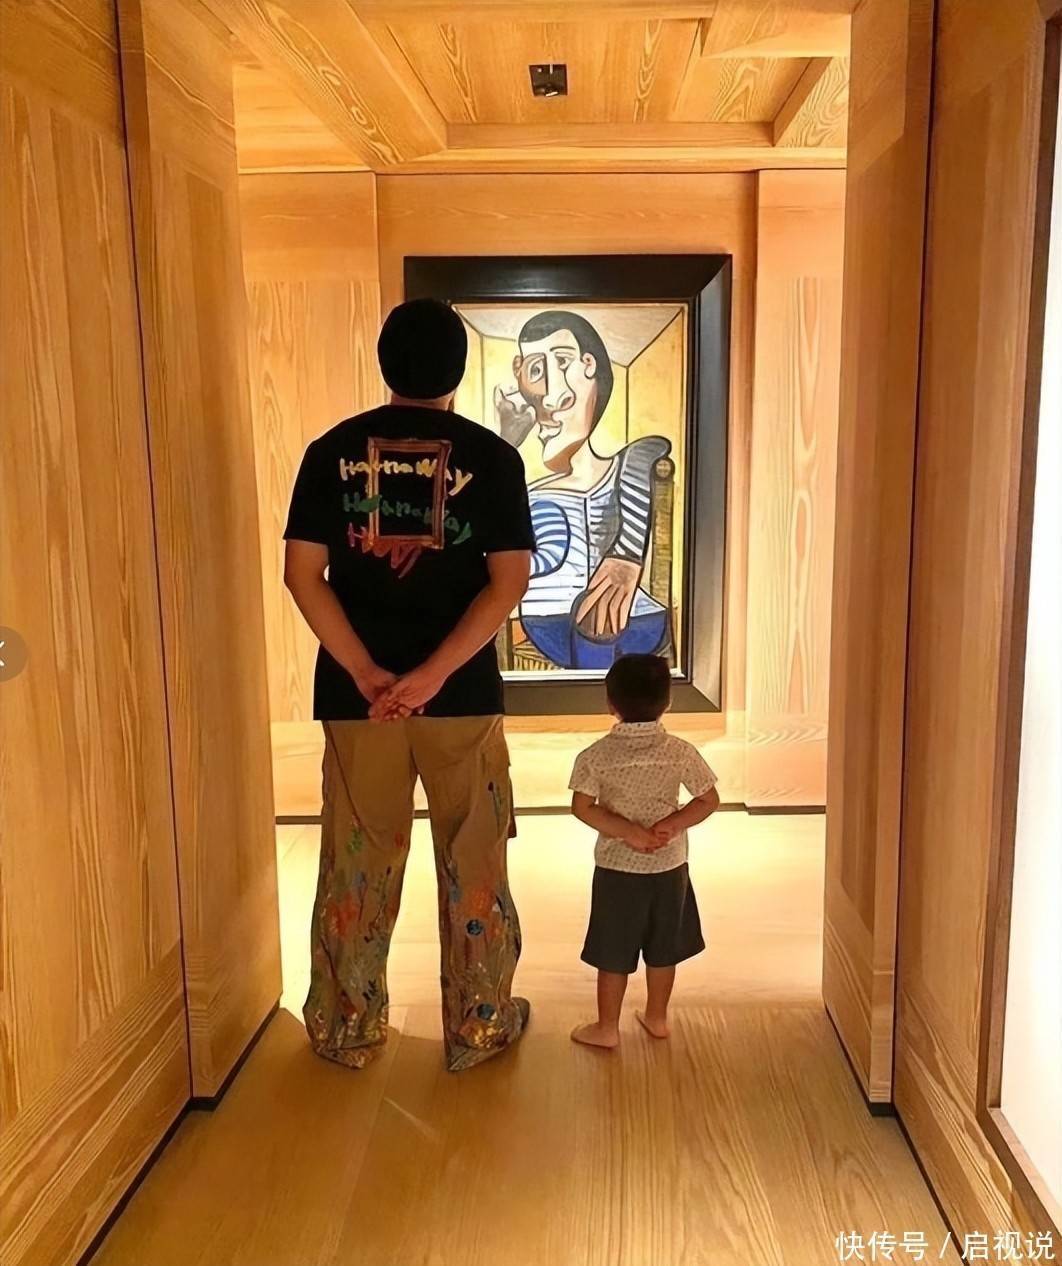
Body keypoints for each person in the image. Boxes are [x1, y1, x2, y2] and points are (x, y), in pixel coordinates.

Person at [283, 298, 534, 1072]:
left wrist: (368, 674)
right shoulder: (494, 459)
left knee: (357, 858)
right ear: (458, 369)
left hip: (357, 700)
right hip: (459, 698)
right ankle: (480, 1026)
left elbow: (302, 575)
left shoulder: (330, 452)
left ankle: (347, 1027)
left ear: (384, 362)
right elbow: (508, 583)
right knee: (474, 858)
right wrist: (430, 677)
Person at [494, 310, 671, 670]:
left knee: (596, 619)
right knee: (590, 622)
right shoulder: (531, 493)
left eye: (562, 361)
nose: (550, 397)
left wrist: (627, 554)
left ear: (589, 366)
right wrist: (504, 442)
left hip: (637, 620)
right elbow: (489, 541)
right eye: (535, 370)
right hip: (549, 625)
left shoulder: (630, 466)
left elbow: (652, 450)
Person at [567, 654, 720, 1048]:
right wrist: (673, 824)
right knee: (664, 948)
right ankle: (657, 1017)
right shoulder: (681, 751)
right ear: (667, 702)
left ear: (610, 704)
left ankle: (607, 1028)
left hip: (617, 870)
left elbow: (582, 807)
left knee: (612, 950)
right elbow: (708, 800)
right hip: (669, 867)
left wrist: (627, 832)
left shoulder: (594, 756)